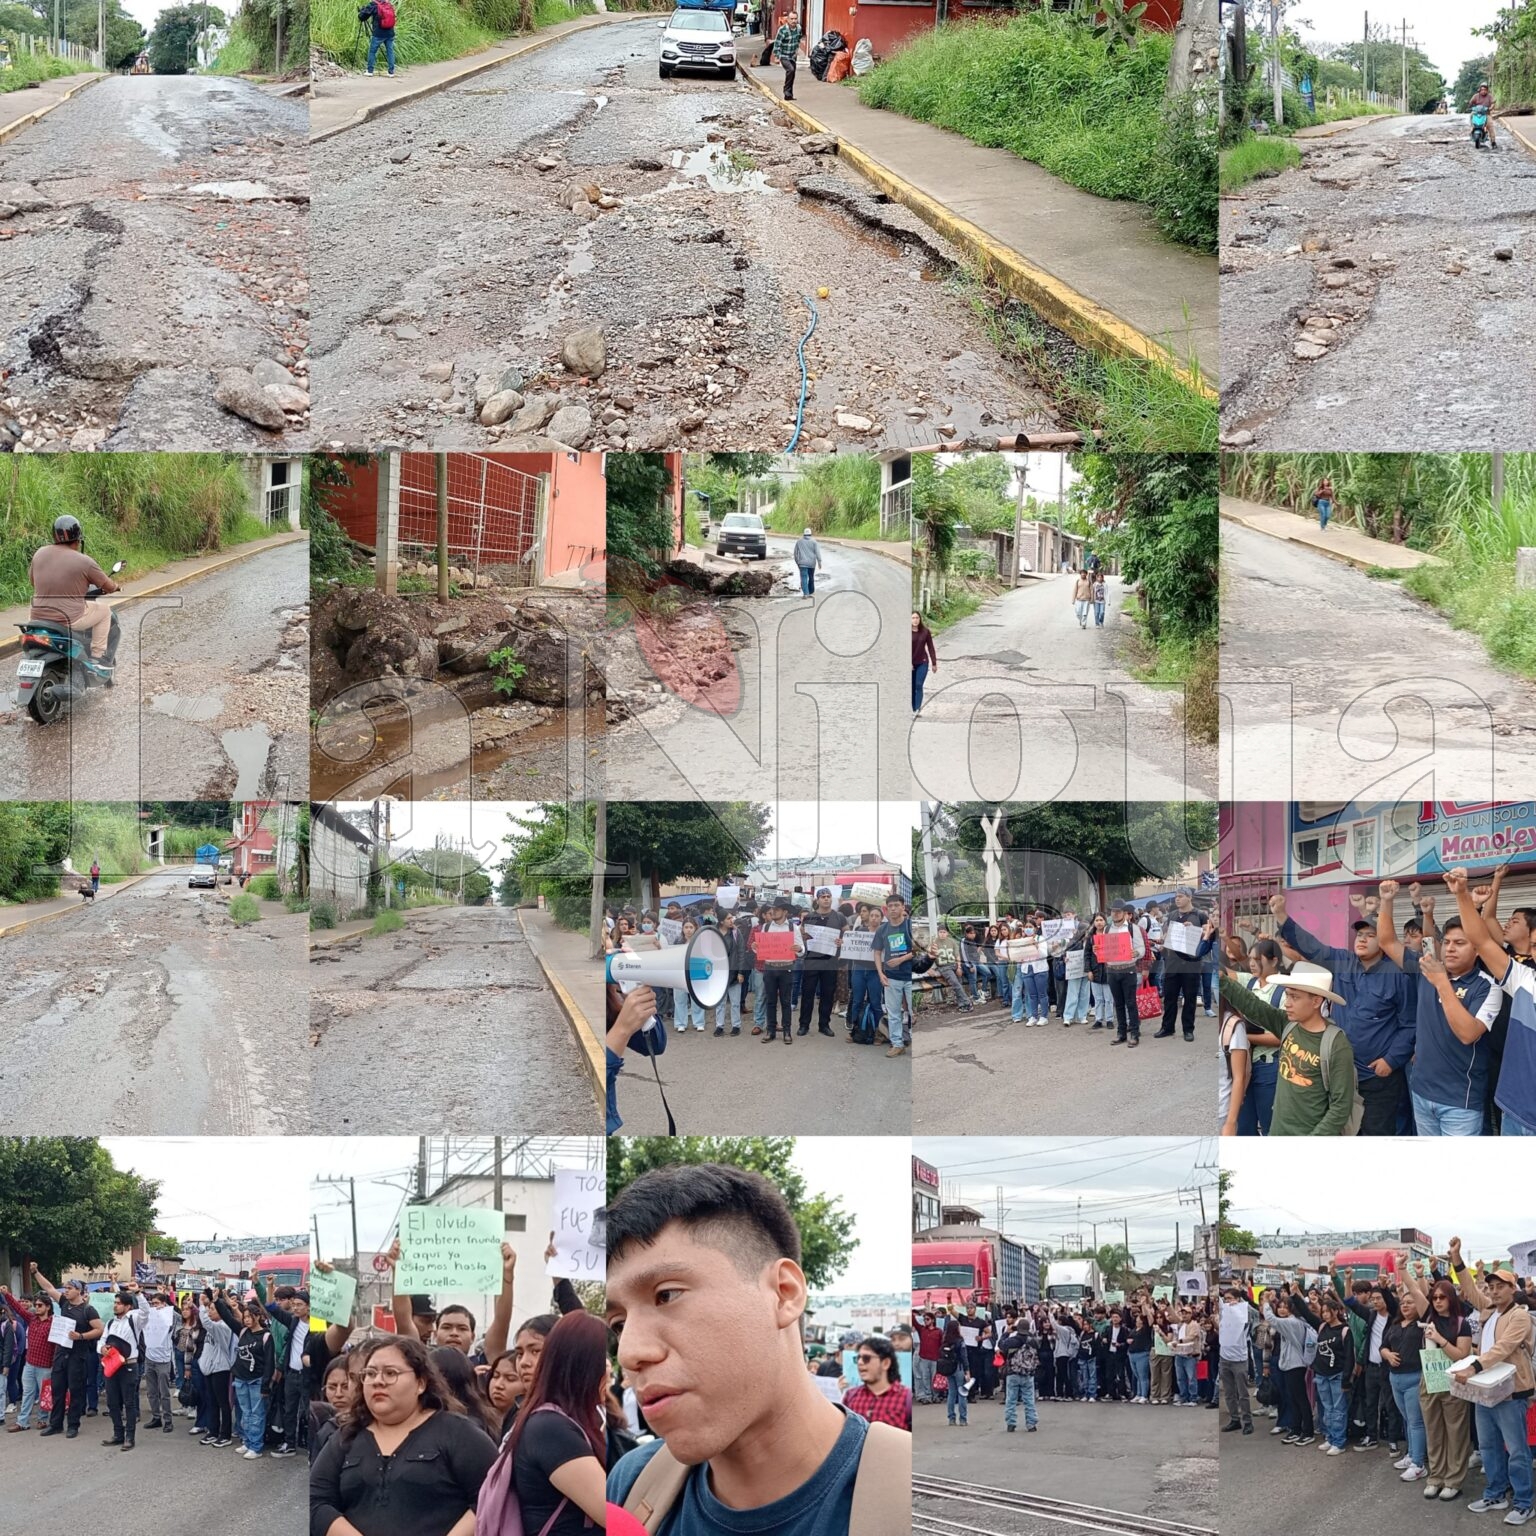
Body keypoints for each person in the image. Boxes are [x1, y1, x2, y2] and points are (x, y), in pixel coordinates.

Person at [606, 1163, 909, 1530]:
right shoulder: (632, 1486)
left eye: (666, 1295)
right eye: (619, 1324)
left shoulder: (903, 1494)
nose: (629, 1353)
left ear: (784, 1294)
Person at [311, 1334, 499, 1536]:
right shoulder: (345, 1437)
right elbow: (317, 1500)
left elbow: (493, 1495)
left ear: (421, 1382)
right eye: (370, 1374)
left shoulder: (458, 1433)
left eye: (390, 1373)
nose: (378, 1382)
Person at [1270, 887, 1415, 1135]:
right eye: (1359, 934)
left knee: (1375, 1137)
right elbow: (1312, 947)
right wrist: (1282, 915)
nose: (1361, 938)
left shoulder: (1398, 975)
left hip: (1377, 1079)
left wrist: (1391, 1061)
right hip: (1340, 1074)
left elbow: (1410, 1024)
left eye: (1370, 935)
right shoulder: (1343, 962)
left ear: (1384, 941)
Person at [1377, 875, 1503, 1135]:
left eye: (1460, 943)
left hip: (1460, 1102)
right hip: (1421, 1092)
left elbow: (1468, 1034)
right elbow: (1387, 942)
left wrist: (1442, 983)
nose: (1450, 949)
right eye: (1446, 942)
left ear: (1478, 949)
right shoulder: (1428, 968)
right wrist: (1387, 901)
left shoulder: (1487, 986)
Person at [1450, 1239, 1533, 1521]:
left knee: (1517, 1451)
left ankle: (1524, 1501)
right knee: (1488, 1447)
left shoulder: (1519, 1317)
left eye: (1501, 1286)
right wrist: (1457, 1260)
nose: (1494, 1291)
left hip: (1511, 1393)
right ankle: (1495, 1494)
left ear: (1514, 1289)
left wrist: (1473, 1366)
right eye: (1492, 1286)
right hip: (1485, 1391)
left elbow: (1503, 1349)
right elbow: (1470, 1289)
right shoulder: (1489, 1309)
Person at [29, 513, 120, 672]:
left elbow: (33, 582)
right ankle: (97, 658)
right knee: (105, 610)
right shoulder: (84, 561)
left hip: (36, 617)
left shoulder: (39, 553)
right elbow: (108, 585)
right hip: (69, 619)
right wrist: (116, 586)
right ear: (78, 540)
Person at [31, 1266, 99, 1438]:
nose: (66, 1291)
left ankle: (73, 1425)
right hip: (61, 1354)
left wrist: (81, 1336)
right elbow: (49, 1288)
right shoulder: (64, 1303)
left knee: (76, 1391)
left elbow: (99, 1329)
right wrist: (35, 1272)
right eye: (66, 1288)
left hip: (78, 1356)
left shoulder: (87, 1310)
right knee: (57, 1390)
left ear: (79, 1291)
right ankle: (56, 1424)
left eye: (69, 1288)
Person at [99, 1285, 147, 1451]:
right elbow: (102, 1340)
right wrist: (102, 1348)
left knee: (129, 1403)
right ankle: (118, 1434)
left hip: (128, 1366)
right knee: (112, 1402)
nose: (115, 1305)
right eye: (115, 1302)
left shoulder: (135, 1320)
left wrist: (138, 1293)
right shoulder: (111, 1322)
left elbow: (145, 1312)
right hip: (112, 1367)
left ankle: (129, 1437)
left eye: (119, 1303)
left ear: (128, 1306)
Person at [873, 891, 915, 1058]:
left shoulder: (910, 925)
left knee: (912, 1010)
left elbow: (919, 949)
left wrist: (901, 959)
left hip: (910, 975)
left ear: (903, 907)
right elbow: (877, 952)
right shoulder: (883, 929)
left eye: (896, 905)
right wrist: (880, 973)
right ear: (886, 909)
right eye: (890, 906)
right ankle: (897, 1043)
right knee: (894, 1013)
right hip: (891, 977)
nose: (893, 909)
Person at [843, 1335, 912, 1430]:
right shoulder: (850, 1396)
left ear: (885, 1363)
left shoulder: (906, 1398)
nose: (860, 1362)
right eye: (858, 1358)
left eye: (866, 1358)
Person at [357, 0, 397, 77]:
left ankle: (370, 71)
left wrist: (361, 11)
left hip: (378, 33)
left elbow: (362, 17)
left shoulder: (374, 4)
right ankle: (391, 72)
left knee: (372, 51)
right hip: (390, 33)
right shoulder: (388, 3)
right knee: (390, 51)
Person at [772, 8, 803, 100]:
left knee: (792, 74)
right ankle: (786, 92)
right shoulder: (782, 30)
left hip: (792, 55)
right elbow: (777, 44)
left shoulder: (798, 28)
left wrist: (797, 49)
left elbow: (798, 38)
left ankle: (789, 95)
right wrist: (777, 56)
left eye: (795, 19)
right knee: (791, 70)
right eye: (792, 19)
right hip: (784, 55)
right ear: (788, 20)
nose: (793, 21)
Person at [912, 612, 937, 714]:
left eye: (917, 617)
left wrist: (934, 663)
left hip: (922, 661)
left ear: (920, 619)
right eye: (913, 618)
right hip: (910, 663)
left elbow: (931, 647)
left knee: (918, 684)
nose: (915, 620)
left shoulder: (925, 632)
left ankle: (917, 708)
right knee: (911, 686)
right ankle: (912, 707)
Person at [792, 526, 822, 598]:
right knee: (811, 577)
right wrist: (819, 562)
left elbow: (795, 553)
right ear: (811, 534)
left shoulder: (799, 541)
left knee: (804, 578)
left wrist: (798, 562)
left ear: (804, 534)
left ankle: (806, 593)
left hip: (802, 563)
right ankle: (811, 591)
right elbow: (817, 552)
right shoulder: (814, 542)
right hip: (811, 563)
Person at [1470, 81, 1499, 148]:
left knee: (1490, 126)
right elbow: (1471, 102)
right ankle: (1472, 129)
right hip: (1476, 113)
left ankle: (1493, 142)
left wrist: (1491, 108)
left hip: (1486, 114)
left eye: (1485, 90)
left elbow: (1493, 103)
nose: (1483, 91)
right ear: (1480, 89)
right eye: (1482, 89)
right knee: (1471, 116)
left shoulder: (1489, 96)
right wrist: (1470, 106)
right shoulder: (1476, 96)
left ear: (1487, 90)